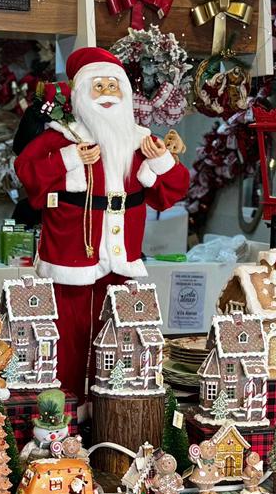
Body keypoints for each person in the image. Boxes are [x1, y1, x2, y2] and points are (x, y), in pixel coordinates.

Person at [14, 47, 190, 397]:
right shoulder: (61, 136)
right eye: (99, 86)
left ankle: (110, 407)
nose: (108, 94)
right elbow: (27, 173)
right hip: (70, 255)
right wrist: (68, 158)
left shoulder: (140, 140)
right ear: (81, 93)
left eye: (114, 85)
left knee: (117, 334)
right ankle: (65, 408)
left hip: (121, 257)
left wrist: (162, 161)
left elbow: (173, 189)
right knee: (67, 333)